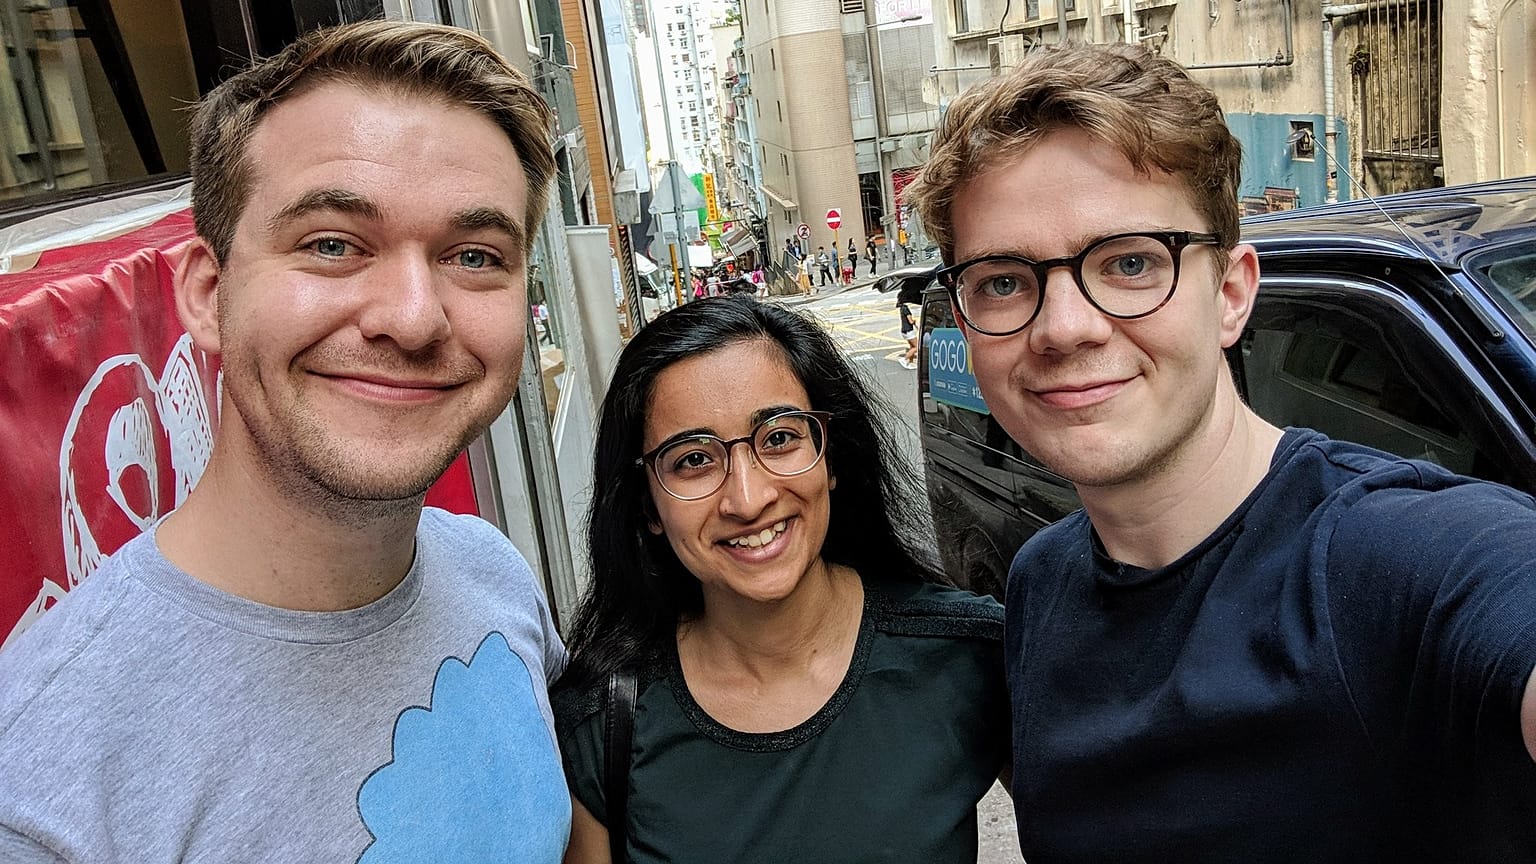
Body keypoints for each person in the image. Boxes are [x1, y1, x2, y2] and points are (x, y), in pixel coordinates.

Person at [907, 41, 1536, 863]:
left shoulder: (1395, 563)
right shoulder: (1043, 582)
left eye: (1130, 262)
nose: (1063, 327)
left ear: (1232, 292)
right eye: (1003, 281)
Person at [0, 21, 570, 862]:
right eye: (333, 244)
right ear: (207, 293)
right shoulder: (43, 790)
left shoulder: (494, 574)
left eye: (475, 256)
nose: (413, 317)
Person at [553, 296, 1008, 863]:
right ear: (647, 506)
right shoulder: (601, 726)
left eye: (779, 438)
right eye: (693, 460)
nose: (748, 499)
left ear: (831, 456)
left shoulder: (972, 657)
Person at [896, 282, 920, 369]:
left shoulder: (902, 308)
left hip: (904, 331)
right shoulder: (905, 308)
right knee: (916, 347)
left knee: (912, 346)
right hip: (909, 330)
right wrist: (914, 321)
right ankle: (905, 359)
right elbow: (910, 321)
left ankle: (910, 362)